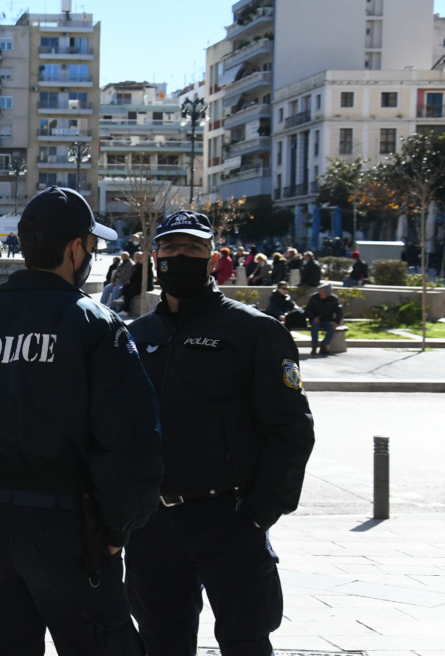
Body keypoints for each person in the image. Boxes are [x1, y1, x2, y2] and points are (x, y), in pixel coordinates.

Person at [0, 186, 162, 654]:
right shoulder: (95, 325)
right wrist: (118, 527)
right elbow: (133, 439)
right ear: (75, 249)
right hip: (73, 526)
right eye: (91, 245)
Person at [125, 210, 315, 656]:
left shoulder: (255, 331)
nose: (181, 255)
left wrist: (260, 512)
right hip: (153, 526)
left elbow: (290, 429)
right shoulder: (136, 335)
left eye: (194, 248)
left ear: (213, 259)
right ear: (155, 257)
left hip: (229, 519)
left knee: (246, 641)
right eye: (171, 247)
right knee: (159, 643)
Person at [306, 281, 343, 356]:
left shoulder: (333, 299)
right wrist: (313, 318)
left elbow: (339, 312)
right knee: (315, 326)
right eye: (320, 291)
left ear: (328, 293)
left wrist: (336, 321)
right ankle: (314, 346)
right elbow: (308, 310)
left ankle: (324, 345)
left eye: (323, 292)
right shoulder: (314, 297)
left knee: (332, 327)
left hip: (327, 320)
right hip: (315, 319)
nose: (321, 293)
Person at [119, 252, 153, 317]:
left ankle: (125, 309)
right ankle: (123, 303)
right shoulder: (139, 265)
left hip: (145, 286)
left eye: (141, 258)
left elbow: (137, 277)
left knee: (128, 291)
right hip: (139, 284)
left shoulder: (146, 266)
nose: (140, 259)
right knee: (126, 287)